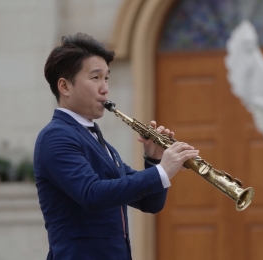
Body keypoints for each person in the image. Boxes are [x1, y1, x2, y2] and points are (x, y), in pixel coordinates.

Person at [34, 32, 199, 260]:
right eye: (95, 78)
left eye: (107, 78)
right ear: (64, 86)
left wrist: (154, 160)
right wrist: (163, 171)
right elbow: (92, 195)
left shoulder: (103, 145)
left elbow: (150, 202)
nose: (105, 89)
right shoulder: (56, 137)